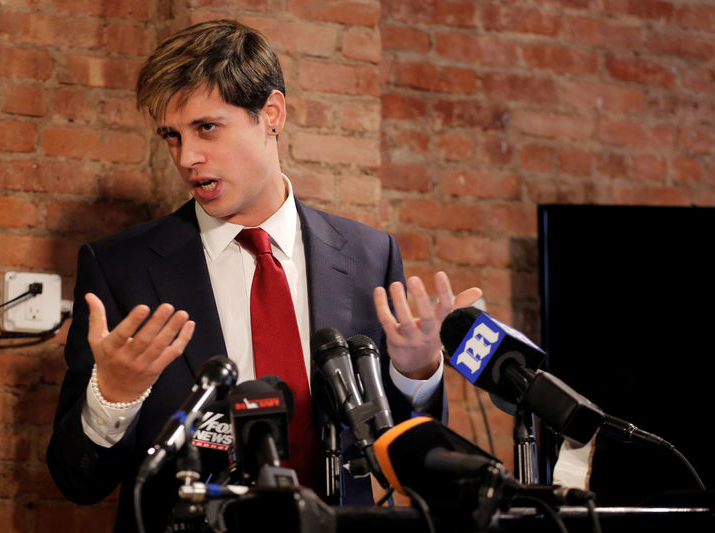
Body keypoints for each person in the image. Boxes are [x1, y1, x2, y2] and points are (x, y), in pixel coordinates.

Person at [47, 19, 481, 532]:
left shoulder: (370, 255)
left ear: (271, 114)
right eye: (172, 136)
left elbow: (407, 461)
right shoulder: (120, 269)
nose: (188, 158)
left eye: (207, 128)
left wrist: (416, 374)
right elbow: (78, 482)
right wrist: (112, 396)